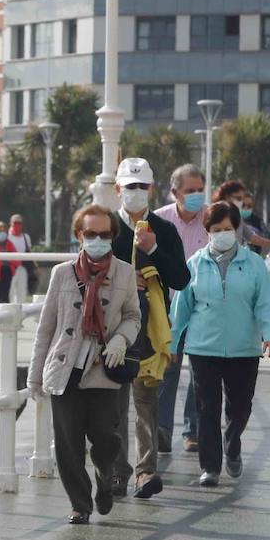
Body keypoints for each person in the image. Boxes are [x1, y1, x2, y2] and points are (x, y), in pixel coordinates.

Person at [28, 205, 141, 525]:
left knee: (106, 437)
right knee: (68, 444)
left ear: (113, 236)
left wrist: (121, 339)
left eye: (104, 234)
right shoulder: (62, 273)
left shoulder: (124, 273)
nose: (97, 240)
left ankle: (105, 476)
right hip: (65, 368)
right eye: (91, 234)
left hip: (104, 368)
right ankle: (80, 505)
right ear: (79, 235)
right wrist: (34, 376)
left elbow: (133, 316)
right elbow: (46, 328)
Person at [170, 201, 270, 487]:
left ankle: (232, 444)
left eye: (227, 228)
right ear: (207, 232)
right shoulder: (194, 264)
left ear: (236, 229)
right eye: (216, 229)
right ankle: (210, 467)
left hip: (244, 348)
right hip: (203, 348)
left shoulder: (254, 264)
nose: (222, 234)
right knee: (207, 408)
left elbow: (265, 304)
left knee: (240, 407)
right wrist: (171, 342)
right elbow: (181, 308)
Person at [110, 157, 188, 500]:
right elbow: (87, 271)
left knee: (146, 402)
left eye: (142, 186)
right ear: (118, 189)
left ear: (152, 189)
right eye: (130, 186)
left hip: (151, 328)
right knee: (114, 404)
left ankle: (145, 472)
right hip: (113, 329)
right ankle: (117, 472)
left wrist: (152, 249)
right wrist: (126, 279)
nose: (136, 192)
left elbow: (181, 279)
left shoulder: (164, 230)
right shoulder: (106, 227)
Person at [154, 164, 210, 455]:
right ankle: (162, 430)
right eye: (190, 191)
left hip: (204, 309)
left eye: (200, 190)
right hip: (168, 309)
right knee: (168, 368)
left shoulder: (212, 218)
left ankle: (194, 430)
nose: (197, 195)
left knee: (201, 371)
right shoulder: (159, 221)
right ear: (175, 192)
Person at [213, 181, 270, 253]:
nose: (241, 202)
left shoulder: (237, 217)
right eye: (239, 198)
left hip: (235, 258)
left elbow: (250, 237)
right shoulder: (213, 215)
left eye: (242, 199)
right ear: (227, 196)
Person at [6, 214, 34, 302]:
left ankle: (20, 310)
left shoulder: (26, 237)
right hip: (10, 267)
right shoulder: (7, 237)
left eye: (19, 223)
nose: (17, 225)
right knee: (10, 292)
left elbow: (29, 251)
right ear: (11, 223)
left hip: (22, 267)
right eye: (15, 223)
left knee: (22, 292)